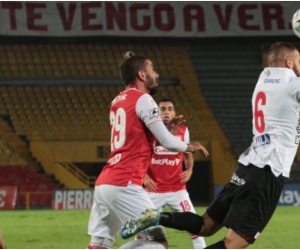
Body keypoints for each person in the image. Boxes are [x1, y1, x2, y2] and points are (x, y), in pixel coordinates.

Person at [120, 41, 300, 249]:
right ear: (288, 62)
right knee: (234, 242)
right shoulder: (291, 84)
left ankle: (156, 217)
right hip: (268, 172)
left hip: (247, 166)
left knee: (206, 224)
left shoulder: (264, 79)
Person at [87, 51, 209, 249]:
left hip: (105, 183)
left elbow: (139, 140)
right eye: (152, 69)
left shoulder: (117, 101)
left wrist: (165, 130)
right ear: (142, 75)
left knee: (99, 244)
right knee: (158, 242)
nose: (157, 74)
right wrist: (189, 146)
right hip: (125, 183)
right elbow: (169, 144)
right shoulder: (143, 99)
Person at [142, 98, 206, 249]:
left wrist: (189, 170)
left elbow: (188, 153)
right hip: (153, 190)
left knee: (195, 227)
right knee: (144, 228)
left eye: (170, 109)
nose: (166, 112)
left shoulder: (184, 131)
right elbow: (140, 155)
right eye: (163, 109)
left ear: (174, 113)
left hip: (178, 190)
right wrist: (144, 176)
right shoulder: (149, 131)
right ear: (157, 112)